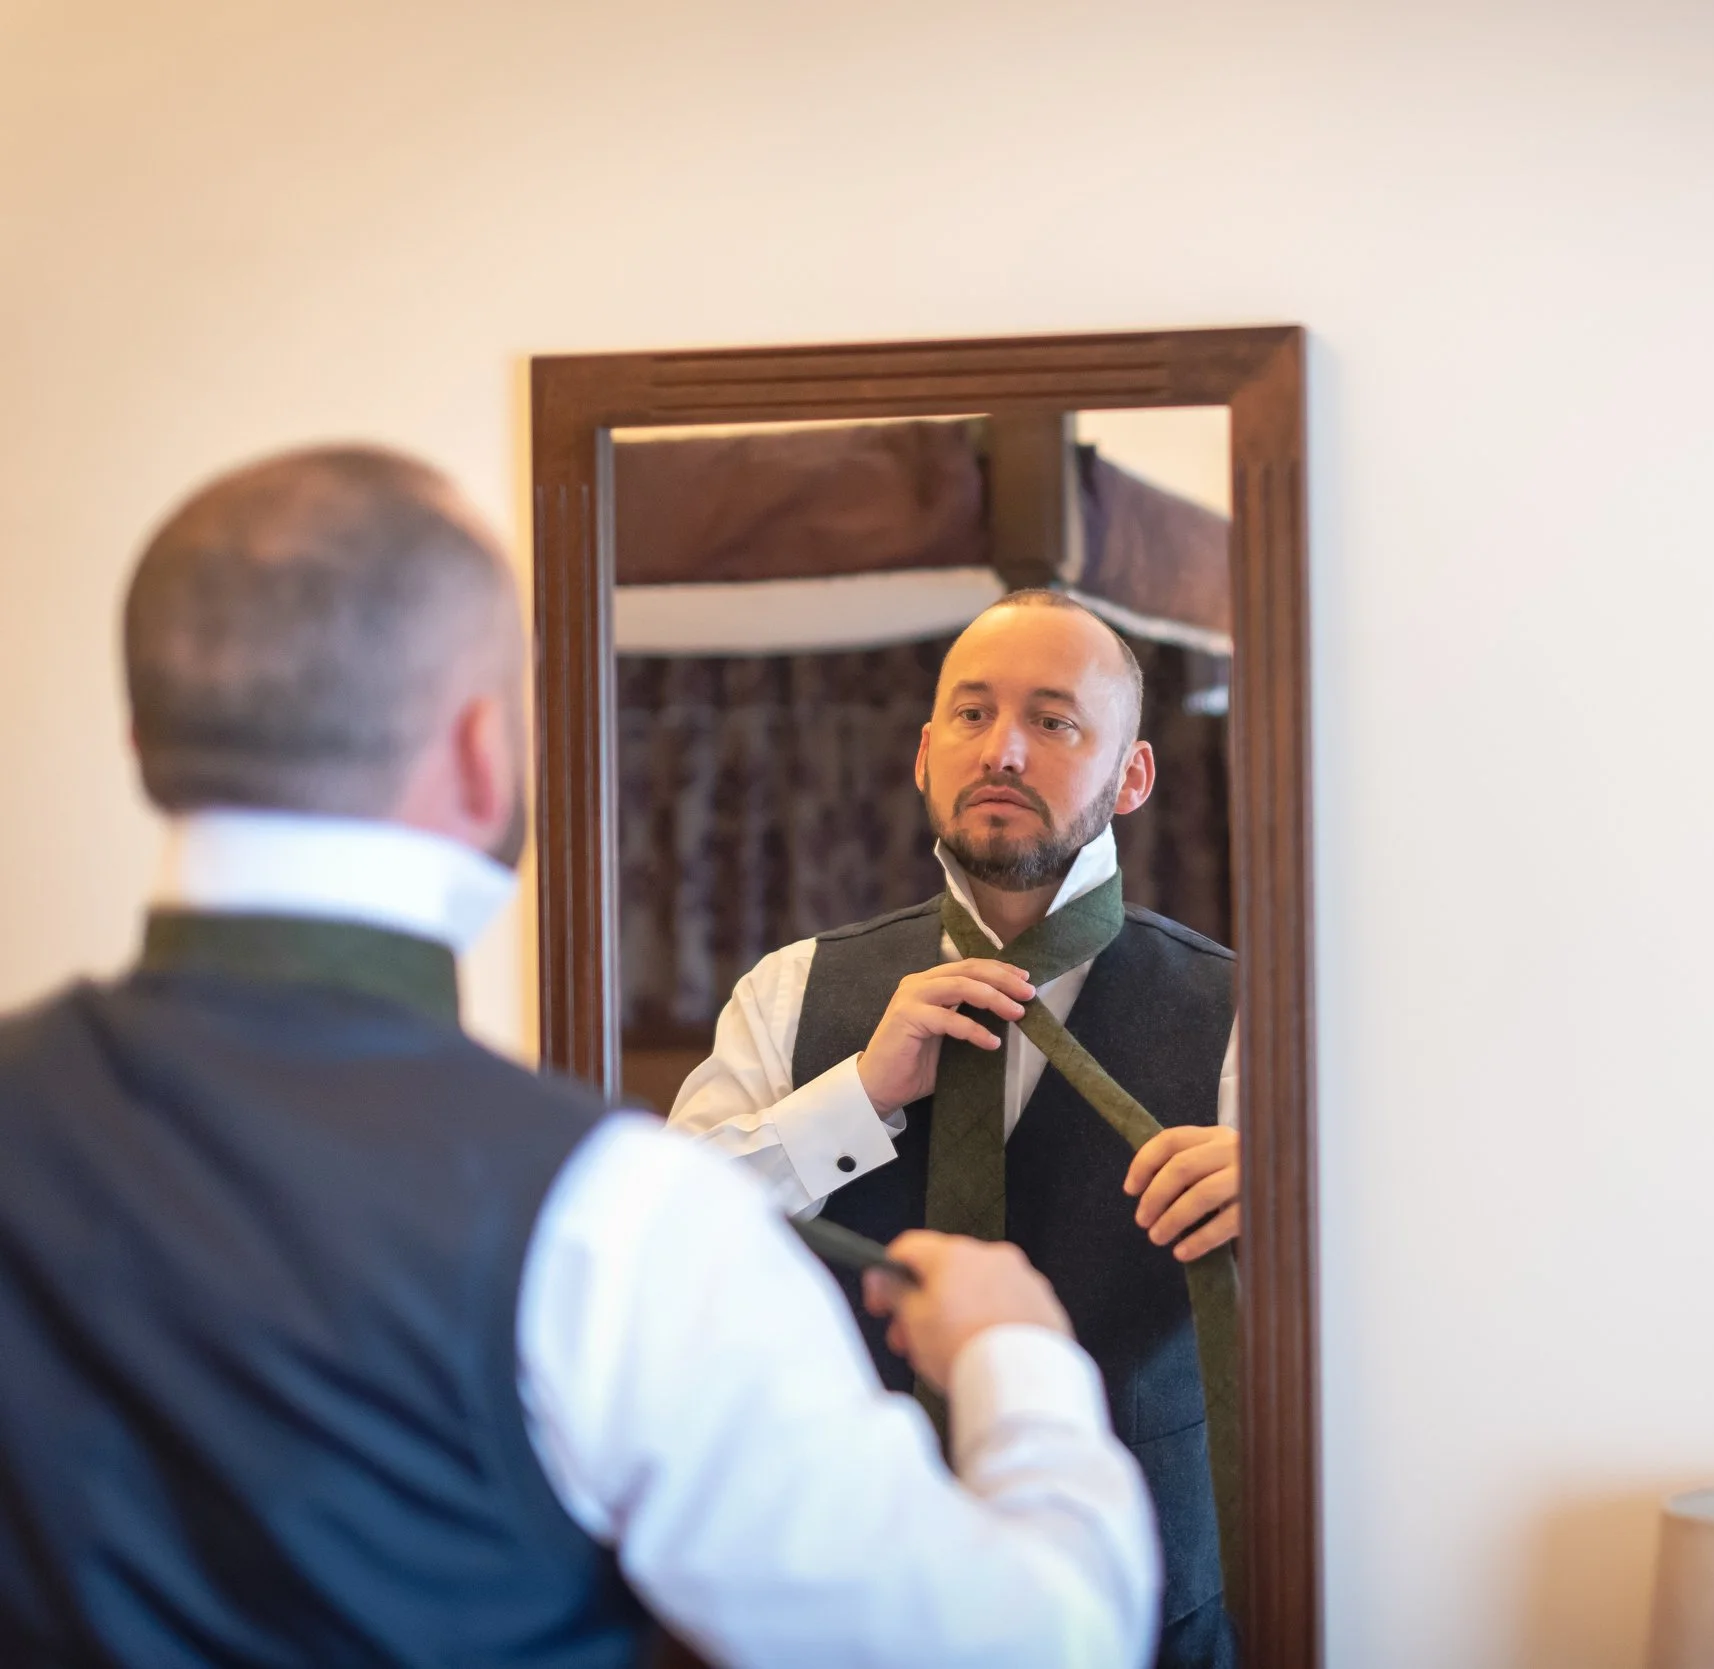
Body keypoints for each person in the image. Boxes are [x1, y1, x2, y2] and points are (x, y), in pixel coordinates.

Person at [0, 447, 1159, 1669]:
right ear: (481, 751)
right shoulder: (608, 1214)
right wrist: (1014, 1357)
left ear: (143, 745)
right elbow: (1047, 1642)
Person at [669, 591, 1242, 1668]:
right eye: (971, 716)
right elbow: (670, 1235)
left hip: (1144, 1612)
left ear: (1133, 774)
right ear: (926, 754)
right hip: (838, 1603)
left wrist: (1289, 1207)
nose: (1004, 750)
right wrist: (854, 1096)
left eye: (1055, 720)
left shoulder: (1246, 1014)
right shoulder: (790, 994)